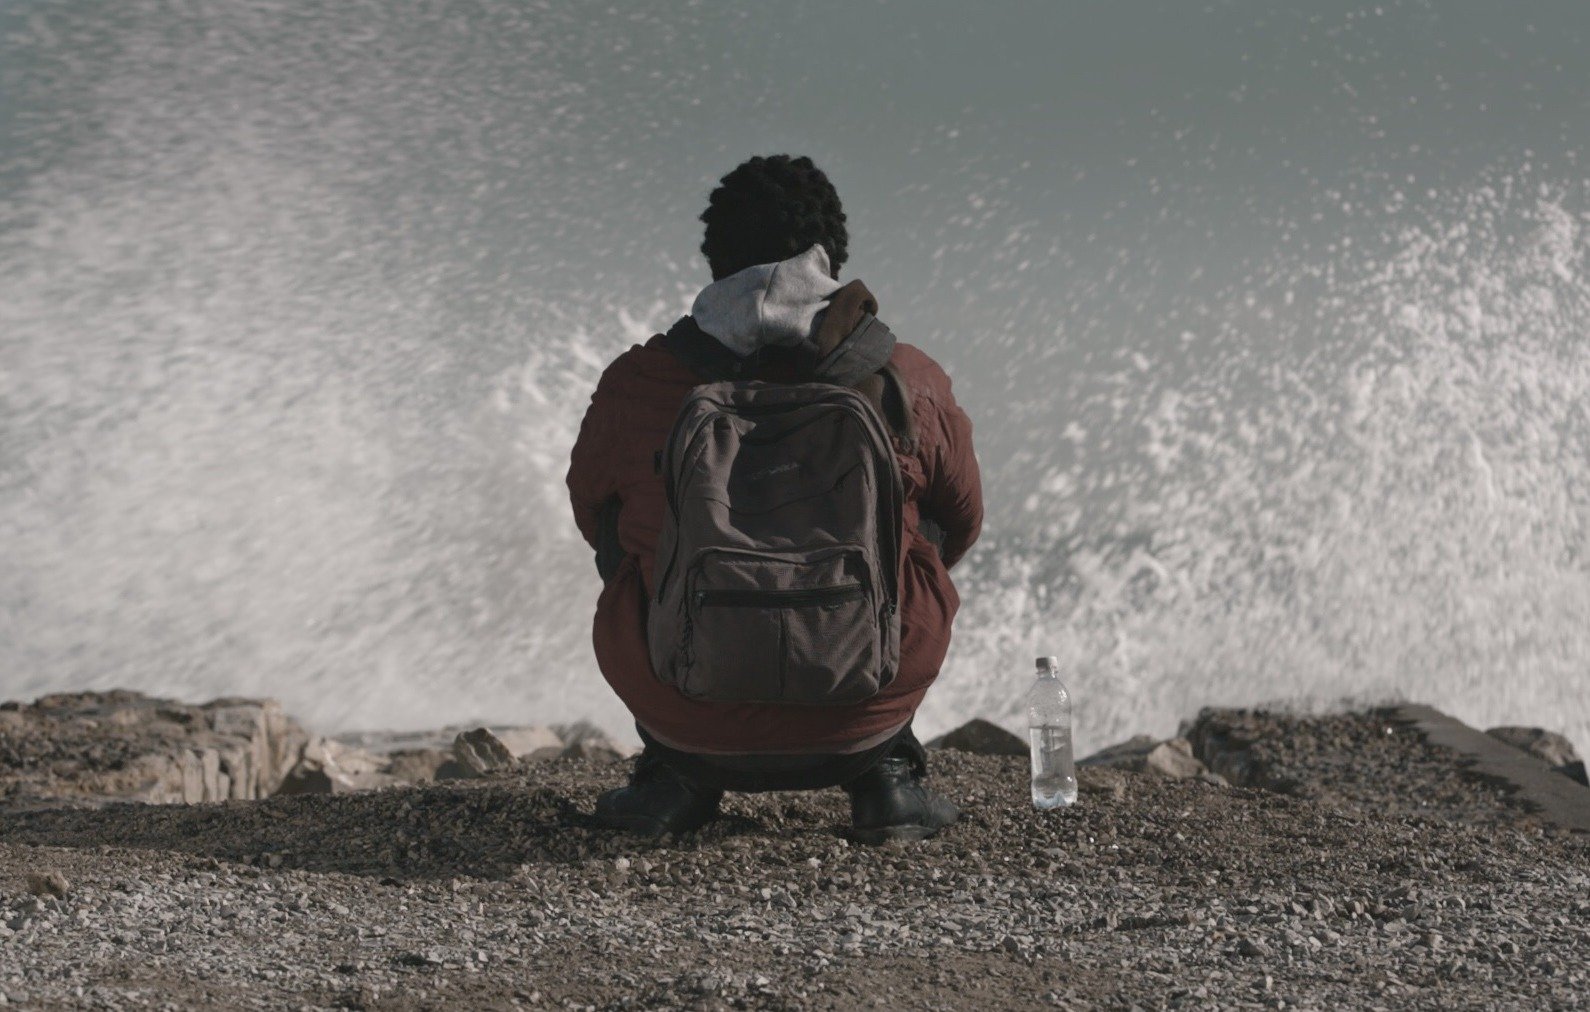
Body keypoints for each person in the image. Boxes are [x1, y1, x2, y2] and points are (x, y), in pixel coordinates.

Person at [566, 154, 983, 842]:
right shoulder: (908, 378)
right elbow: (963, 524)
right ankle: (888, 777)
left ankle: (673, 774)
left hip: (680, 706)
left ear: (714, 260)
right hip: (865, 710)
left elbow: (593, 521)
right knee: (924, 532)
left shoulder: (637, 381)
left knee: (628, 535)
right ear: (831, 256)